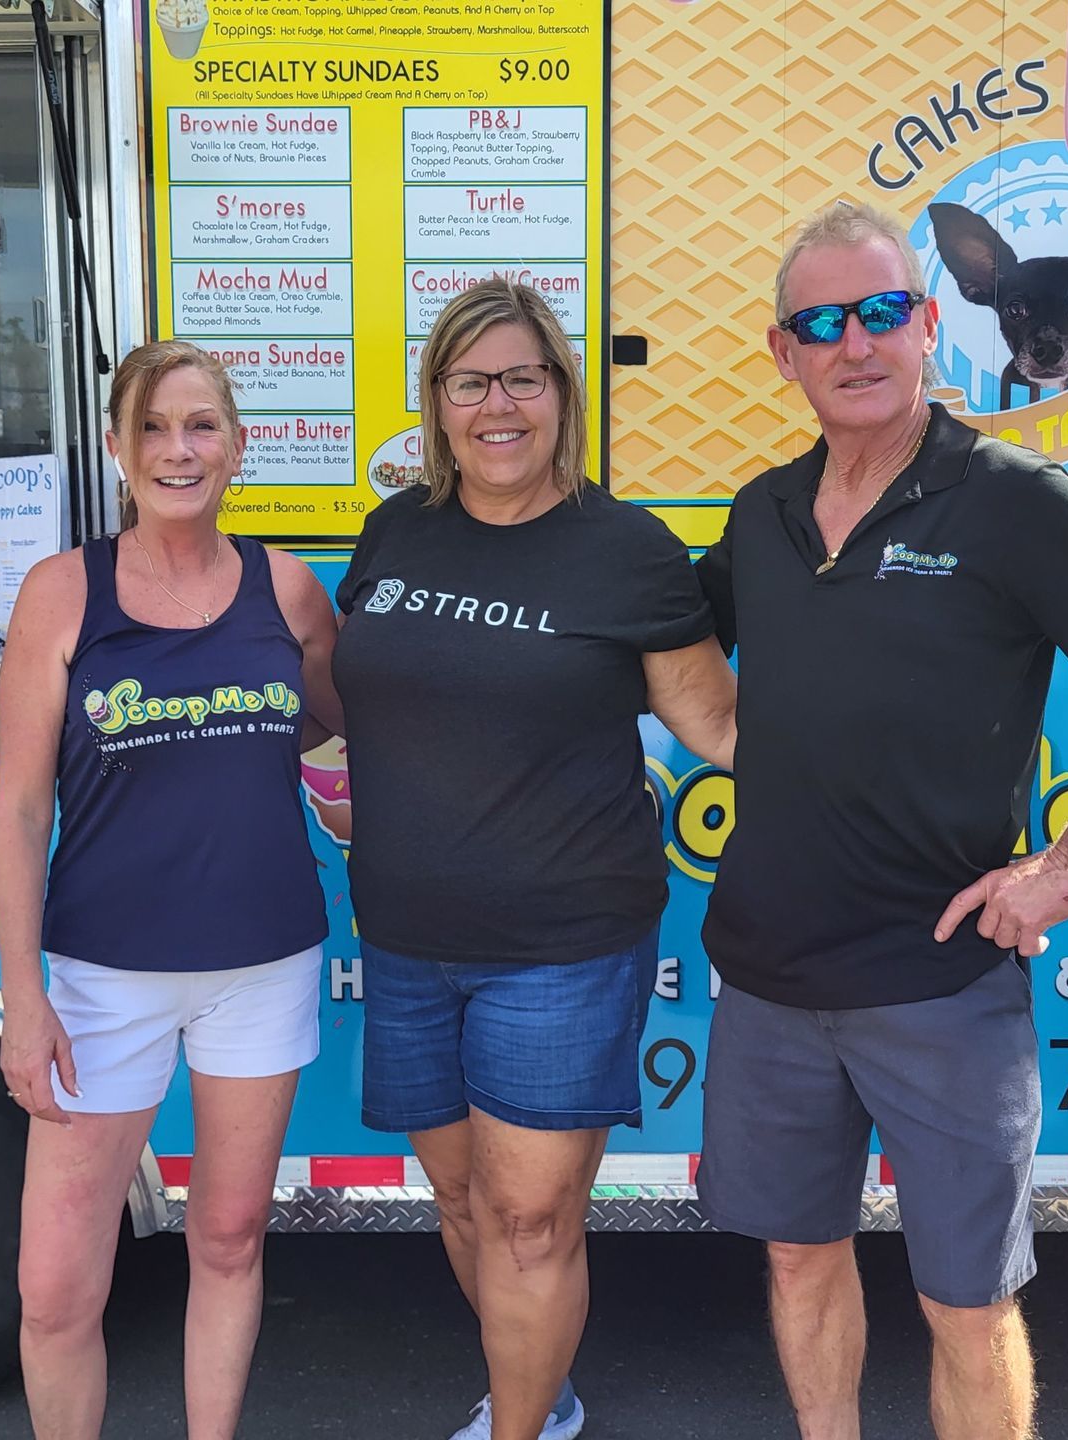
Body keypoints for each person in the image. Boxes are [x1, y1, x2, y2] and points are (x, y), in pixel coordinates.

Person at [693, 202, 1068, 1440]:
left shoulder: (1007, 497)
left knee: (968, 1306)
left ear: (931, 324)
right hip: (767, 981)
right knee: (796, 1261)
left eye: (882, 311)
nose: (855, 343)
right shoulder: (760, 516)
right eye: (821, 323)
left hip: (942, 989)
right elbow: (677, 659)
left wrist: (1066, 870)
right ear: (785, 354)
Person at [333, 278, 737, 1440]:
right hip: (405, 935)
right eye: (470, 382)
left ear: (561, 393)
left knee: (530, 1220)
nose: (495, 405)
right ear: (438, 402)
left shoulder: (625, 550)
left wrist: (889, 765)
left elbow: (720, 728)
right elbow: (361, 695)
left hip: (563, 941)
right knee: (460, 1202)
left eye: (522, 378)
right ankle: (540, 1398)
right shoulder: (395, 530)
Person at [0, 340, 342, 1440]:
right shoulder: (63, 592)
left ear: (238, 446)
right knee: (55, 1290)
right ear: (116, 446)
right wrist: (22, 996)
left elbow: (333, 723)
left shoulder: (285, 584)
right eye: (152, 426)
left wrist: (332, 784)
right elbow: (19, 809)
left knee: (230, 1240)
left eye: (200, 426)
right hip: (103, 980)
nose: (177, 450)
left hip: (262, 965)